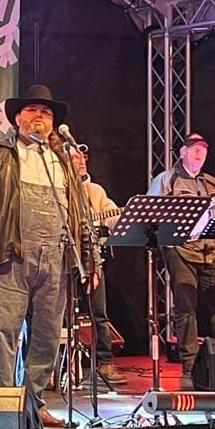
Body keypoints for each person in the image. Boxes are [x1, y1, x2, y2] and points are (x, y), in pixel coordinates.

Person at [0, 84, 96, 429]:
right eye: (32, 110)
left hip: (56, 260)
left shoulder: (63, 161)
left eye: (46, 112)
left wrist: (88, 259)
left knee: (46, 339)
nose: (39, 116)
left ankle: (33, 407)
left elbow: (81, 214)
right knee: (2, 336)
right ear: (17, 118)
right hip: (9, 257)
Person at [147, 133, 215, 373]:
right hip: (181, 251)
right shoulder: (166, 180)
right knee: (186, 307)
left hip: (211, 252)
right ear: (183, 152)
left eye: (203, 150)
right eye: (194, 149)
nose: (199, 153)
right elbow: (152, 216)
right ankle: (190, 363)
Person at [69, 146, 121, 383]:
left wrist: (117, 219)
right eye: (74, 158)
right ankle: (61, 366)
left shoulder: (95, 190)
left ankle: (105, 362)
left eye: (83, 158)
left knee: (99, 313)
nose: (81, 161)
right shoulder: (60, 189)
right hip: (64, 260)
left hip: (92, 259)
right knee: (61, 316)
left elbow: (112, 215)